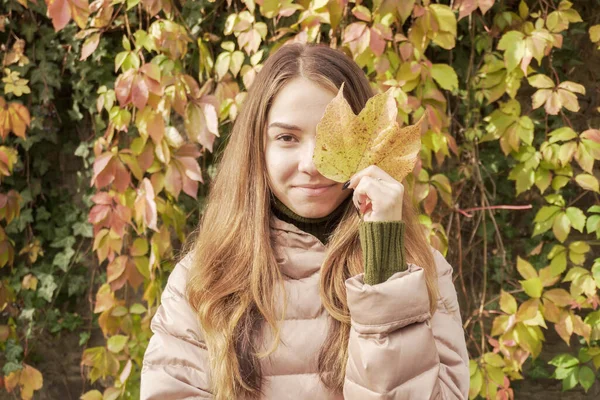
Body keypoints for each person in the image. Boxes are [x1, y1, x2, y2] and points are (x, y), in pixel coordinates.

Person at [141, 42, 470, 400]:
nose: (312, 164)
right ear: (258, 147)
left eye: (334, 139)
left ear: (371, 146)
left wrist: (385, 270)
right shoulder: (204, 277)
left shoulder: (418, 273)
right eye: (287, 138)